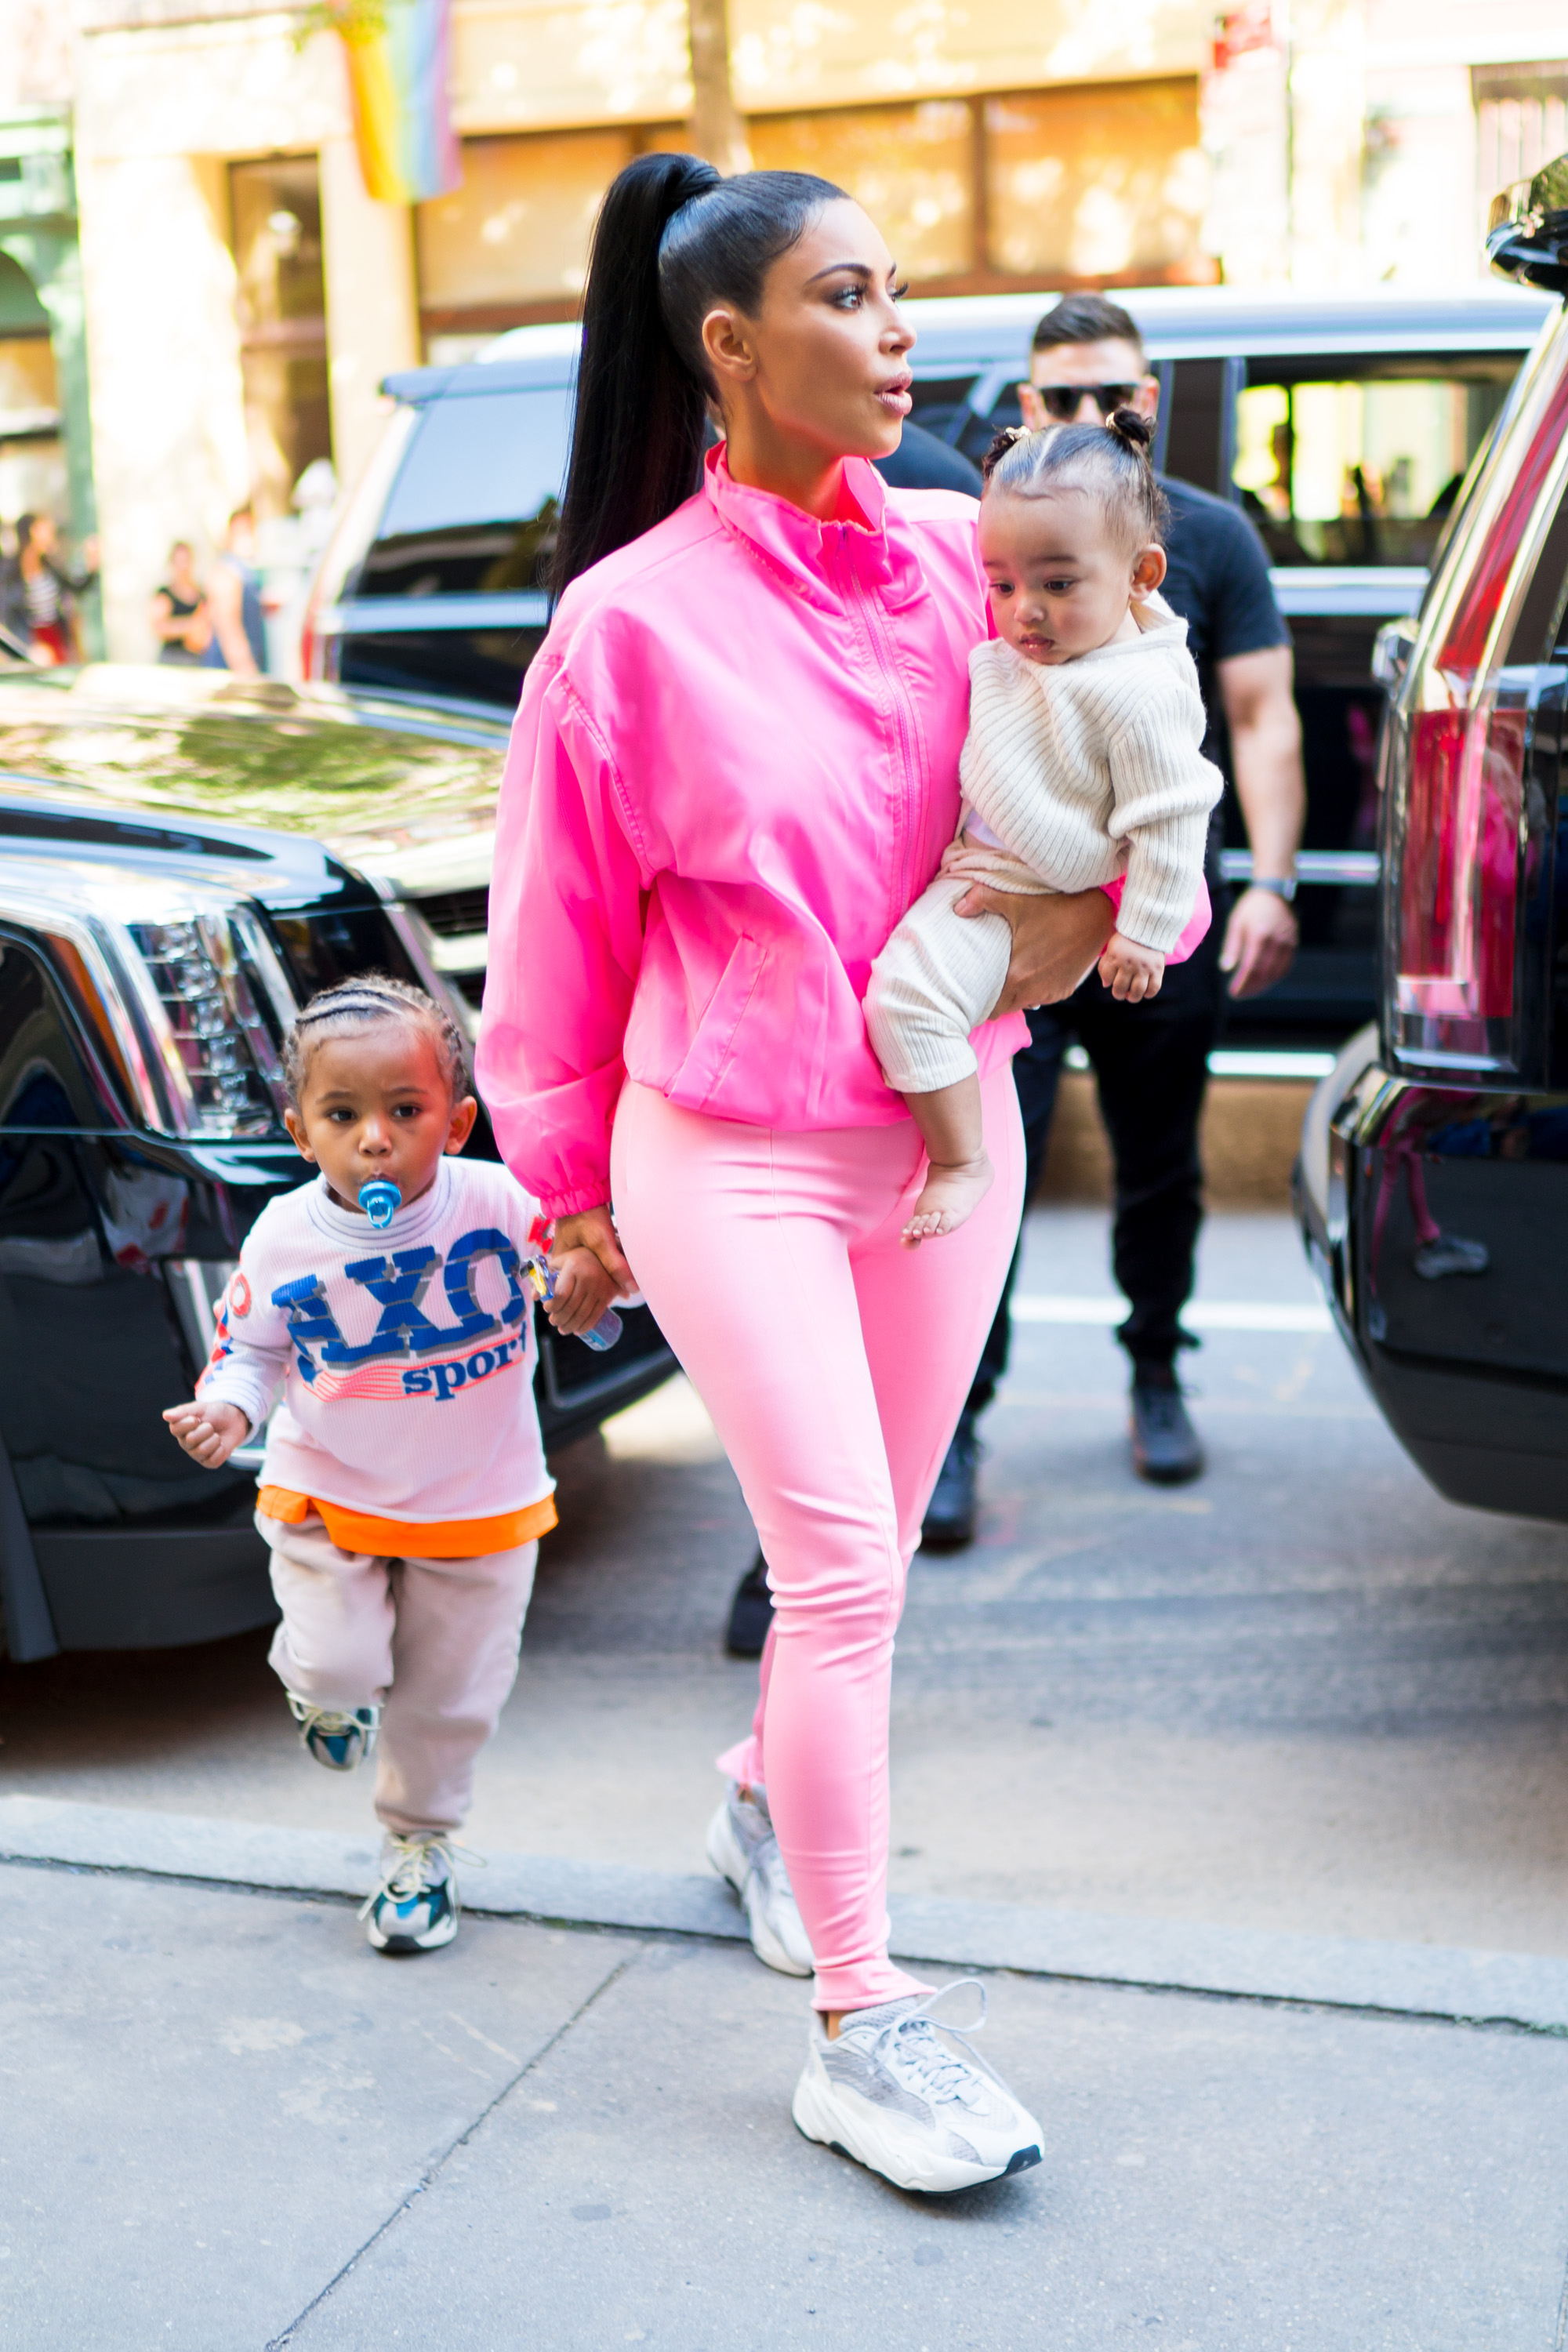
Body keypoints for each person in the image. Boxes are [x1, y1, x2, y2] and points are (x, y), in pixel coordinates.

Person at [477, 154, 1116, 2194]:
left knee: (874, 1570)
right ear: (734, 349)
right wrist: (568, 1205)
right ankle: (866, 2024)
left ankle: (764, 1795)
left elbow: (1082, 793)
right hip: (725, 1159)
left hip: (947, 1141)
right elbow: (556, 955)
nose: (903, 326)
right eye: (854, 294)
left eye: (905, 285)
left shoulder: (962, 558)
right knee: (837, 1573)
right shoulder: (626, 626)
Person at [922, 293, 1305, 1540]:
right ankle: (957, 1425)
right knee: (987, 1173)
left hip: (1150, 916)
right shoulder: (994, 542)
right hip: (1020, 925)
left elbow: (1258, 718)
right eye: (1066, 397)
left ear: (1151, 405)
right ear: (1028, 408)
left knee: (1160, 1167)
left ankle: (1156, 1373)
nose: (1096, 418)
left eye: (1118, 399)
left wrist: (1271, 881)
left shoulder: (1208, 536)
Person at [162, 975, 567, 1955]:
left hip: (480, 1504)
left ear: (457, 1121)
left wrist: (597, 1281)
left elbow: (587, 1273)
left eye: (404, 1111)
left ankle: (416, 1849)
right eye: (343, 1116)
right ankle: (320, 1691)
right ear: (303, 1132)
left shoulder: (503, 1202)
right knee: (340, 1663)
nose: (375, 1139)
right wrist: (228, 1405)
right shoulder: (287, 1233)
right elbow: (252, 1347)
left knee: (447, 1703)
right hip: (327, 1490)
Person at [865, 413, 1220, 1243]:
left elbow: (1169, 818)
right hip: (978, 873)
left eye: (1057, 585)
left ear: (1141, 575)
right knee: (905, 1003)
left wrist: (1139, 929)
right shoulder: (1040, 654)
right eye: (1000, 585)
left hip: (1024, 888)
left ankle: (960, 1160)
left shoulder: (1135, 688)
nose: (1023, 612)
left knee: (905, 1004)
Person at [0, 513, 94, 664]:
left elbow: (76, 588)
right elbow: (6, 616)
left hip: (56, 640)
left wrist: (91, 568)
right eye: (46, 530)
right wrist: (27, 648)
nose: (51, 535)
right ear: (33, 531)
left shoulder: (50, 567)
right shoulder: (9, 572)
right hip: (30, 645)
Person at [199, 503, 268, 676]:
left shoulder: (246, 571)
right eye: (244, 531)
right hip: (230, 677)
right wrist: (250, 676)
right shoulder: (226, 573)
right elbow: (229, 630)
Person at [149, 541, 210, 665]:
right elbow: (158, 627)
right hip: (173, 657)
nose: (183, 566)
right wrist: (190, 626)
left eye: (186, 560)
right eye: (179, 561)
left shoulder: (202, 594)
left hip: (198, 657)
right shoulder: (165, 594)